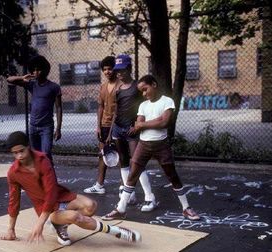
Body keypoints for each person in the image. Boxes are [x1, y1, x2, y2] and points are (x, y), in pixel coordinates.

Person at [0, 131, 141, 246]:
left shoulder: (43, 160)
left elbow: (51, 191)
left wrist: (40, 223)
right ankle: (117, 232)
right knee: (76, 217)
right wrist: (11, 230)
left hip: (59, 197)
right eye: (15, 153)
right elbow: (14, 202)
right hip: (46, 209)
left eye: (22, 151)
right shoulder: (13, 172)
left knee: (91, 206)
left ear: (28, 146)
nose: (19, 156)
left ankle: (60, 225)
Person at [102, 75, 200, 221]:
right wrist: (145, 124)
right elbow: (138, 125)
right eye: (141, 91)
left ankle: (186, 208)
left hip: (161, 145)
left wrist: (143, 124)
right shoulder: (143, 105)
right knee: (132, 175)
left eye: (145, 89)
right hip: (143, 144)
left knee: (172, 175)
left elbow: (164, 122)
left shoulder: (167, 101)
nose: (144, 94)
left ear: (153, 84)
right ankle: (121, 208)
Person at [108, 54, 156, 212]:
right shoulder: (117, 89)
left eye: (122, 70)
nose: (119, 73)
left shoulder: (137, 86)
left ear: (129, 69)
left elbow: (145, 107)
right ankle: (131, 195)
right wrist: (110, 132)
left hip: (132, 130)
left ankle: (150, 197)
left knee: (137, 162)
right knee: (123, 161)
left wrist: (138, 124)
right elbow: (116, 111)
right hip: (118, 129)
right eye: (117, 71)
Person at [6, 55, 62, 162]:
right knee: (35, 157)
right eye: (34, 70)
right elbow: (9, 80)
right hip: (33, 126)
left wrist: (58, 129)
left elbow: (59, 108)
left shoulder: (54, 87)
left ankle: (50, 178)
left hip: (46, 127)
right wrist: (22, 78)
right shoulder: (32, 85)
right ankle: (39, 178)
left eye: (39, 69)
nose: (36, 72)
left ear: (45, 70)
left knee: (45, 155)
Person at [83, 56, 120, 194]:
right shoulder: (103, 86)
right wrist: (98, 126)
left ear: (115, 69)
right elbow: (100, 107)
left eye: (110, 69)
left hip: (117, 125)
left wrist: (111, 132)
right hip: (104, 125)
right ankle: (99, 185)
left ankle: (125, 188)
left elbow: (118, 110)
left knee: (121, 156)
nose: (107, 72)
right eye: (104, 69)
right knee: (102, 154)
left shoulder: (120, 86)